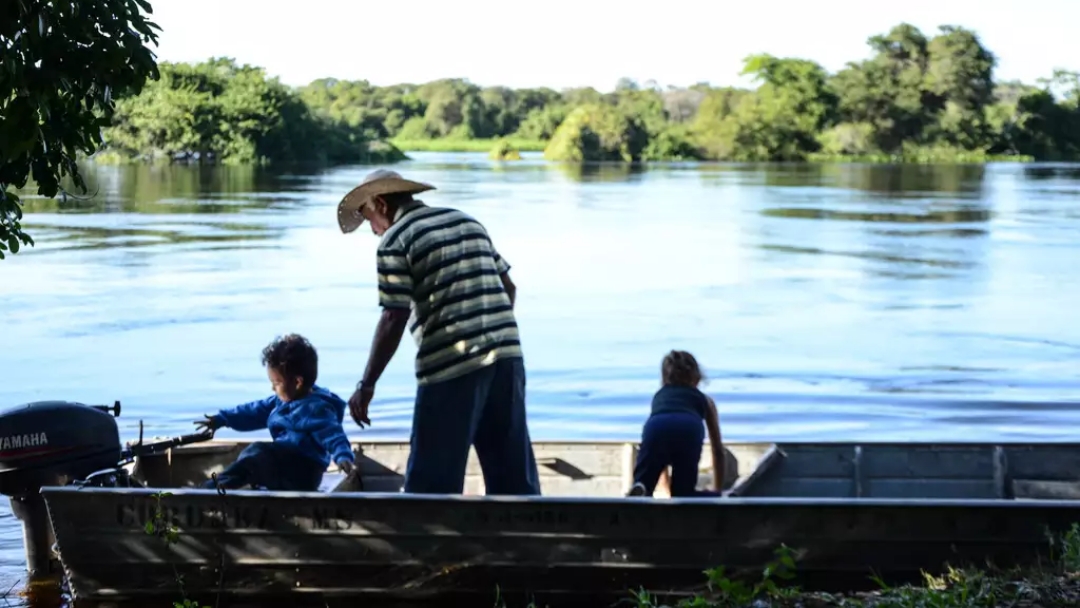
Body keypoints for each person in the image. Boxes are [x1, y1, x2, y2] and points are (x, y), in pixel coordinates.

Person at [336, 168, 541, 496]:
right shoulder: (466, 221)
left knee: (431, 483)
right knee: (512, 477)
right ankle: (526, 544)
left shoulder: (395, 240)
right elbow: (508, 287)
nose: (372, 230)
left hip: (451, 368)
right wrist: (486, 331)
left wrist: (366, 385)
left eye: (368, 217)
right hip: (507, 358)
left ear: (381, 204)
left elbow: (394, 316)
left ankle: (427, 546)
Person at [194, 334, 356, 491]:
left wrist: (343, 456)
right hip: (284, 466)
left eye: (276, 383)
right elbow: (253, 411)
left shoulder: (317, 409)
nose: (273, 388)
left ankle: (213, 489)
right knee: (255, 454)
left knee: (257, 453)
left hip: (303, 474)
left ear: (297, 382)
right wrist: (223, 419)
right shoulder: (282, 400)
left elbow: (334, 435)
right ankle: (226, 485)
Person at [627, 350, 724, 497]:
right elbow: (717, 450)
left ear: (665, 378)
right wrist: (718, 490)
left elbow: (661, 455)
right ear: (697, 377)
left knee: (645, 476)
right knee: (683, 494)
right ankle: (713, 497)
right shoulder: (705, 400)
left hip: (656, 426)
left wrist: (665, 485)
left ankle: (641, 487)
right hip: (689, 428)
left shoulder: (659, 396)